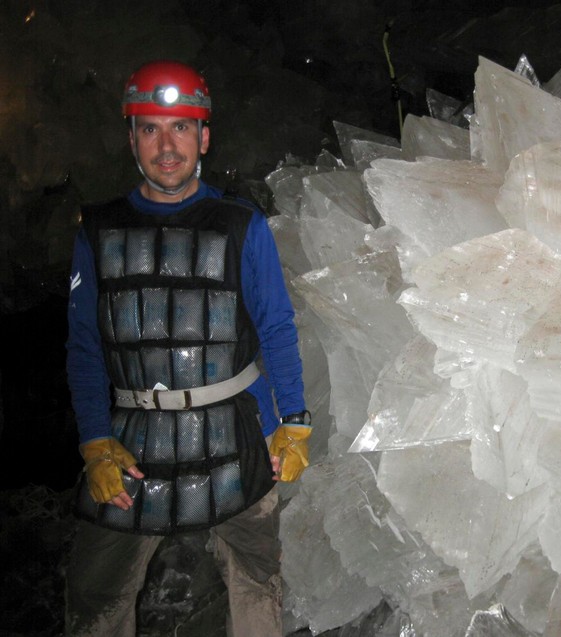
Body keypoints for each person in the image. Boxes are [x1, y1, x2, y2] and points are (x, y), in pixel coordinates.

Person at [64, 59, 311, 636]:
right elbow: (84, 346)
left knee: (257, 583)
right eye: (150, 128)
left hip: (237, 433)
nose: (166, 145)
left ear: (204, 136)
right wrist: (94, 441)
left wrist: (293, 421)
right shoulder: (97, 232)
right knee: (95, 598)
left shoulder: (242, 226)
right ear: (131, 139)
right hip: (131, 441)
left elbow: (276, 327)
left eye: (181, 127)